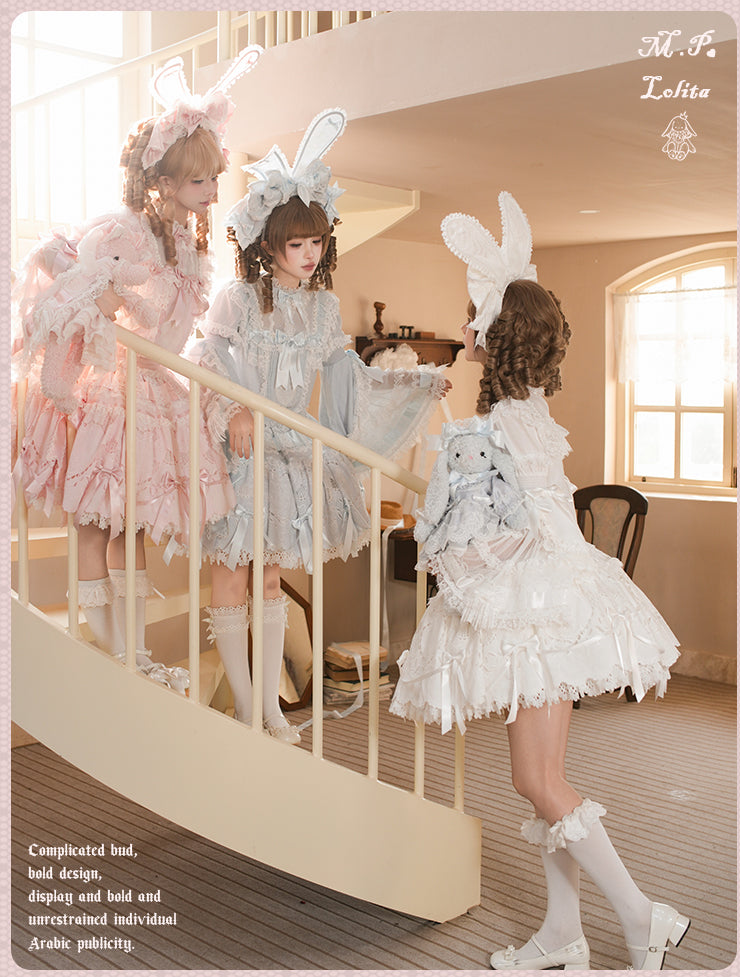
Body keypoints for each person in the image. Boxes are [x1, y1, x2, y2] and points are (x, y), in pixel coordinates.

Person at [390, 192, 688, 971]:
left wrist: (452, 544)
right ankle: (563, 932)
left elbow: (491, 531)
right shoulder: (528, 413)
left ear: (492, 335)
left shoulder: (493, 427)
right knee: (543, 777)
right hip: (559, 600)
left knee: (535, 778)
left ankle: (642, 914)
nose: (464, 329)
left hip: (534, 610)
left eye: (472, 319)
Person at [191, 107, 449, 743]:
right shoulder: (237, 299)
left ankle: (272, 708)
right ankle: (247, 706)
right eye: (296, 244)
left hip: (288, 451)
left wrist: (413, 382)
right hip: (240, 449)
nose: (310, 255)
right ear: (267, 246)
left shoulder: (324, 308)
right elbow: (206, 360)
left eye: (316, 243)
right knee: (231, 572)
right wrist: (234, 409)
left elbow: (346, 377)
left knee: (270, 576)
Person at [11, 48, 262, 683]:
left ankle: (134, 654)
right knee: (98, 521)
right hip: (114, 386)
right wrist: (103, 299)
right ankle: (113, 649)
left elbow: (174, 330)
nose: (212, 191)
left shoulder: (185, 244)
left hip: (156, 386)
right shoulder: (123, 231)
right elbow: (88, 290)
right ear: (165, 182)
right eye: (201, 182)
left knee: (134, 526)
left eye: (214, 179)